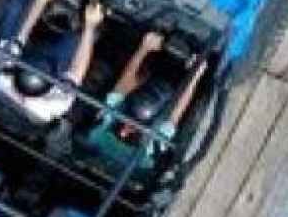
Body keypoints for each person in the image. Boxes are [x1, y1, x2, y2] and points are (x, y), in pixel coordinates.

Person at [78, 30, 206, 181]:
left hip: (149, 81)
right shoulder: (149, 151)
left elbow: (121, 87)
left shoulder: (100, 132)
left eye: (122, 130)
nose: (126, 130)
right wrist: (195, 75)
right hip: (165, 94)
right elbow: (176, 112)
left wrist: (144, 47)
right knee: (147, 109)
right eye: (129, 132)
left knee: (127, 102)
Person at [0, 0, 104, 125]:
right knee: (83, 39)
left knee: (16, 3)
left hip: (25, 58)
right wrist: (90, 25)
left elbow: (22, 32)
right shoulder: (56, 103)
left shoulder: (1, 71)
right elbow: (77, 69)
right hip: (53, 65)